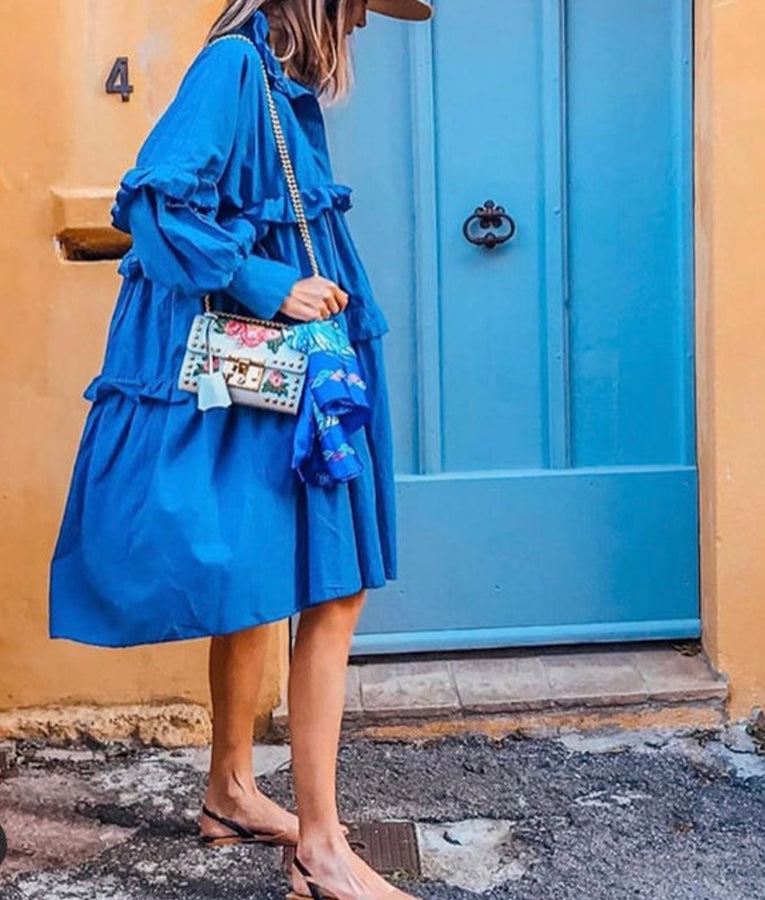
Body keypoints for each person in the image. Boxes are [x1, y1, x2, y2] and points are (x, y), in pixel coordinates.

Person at [48, 1, 432, 898]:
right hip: (268, 357)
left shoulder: (269, 75)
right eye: (361, 4)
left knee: (264, 577)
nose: (366, 25)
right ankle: (323, 851)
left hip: (269, 365)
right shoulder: (234, 71)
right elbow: (152, 199)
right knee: (332, 592)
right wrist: (270, 283)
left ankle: (229, 790)